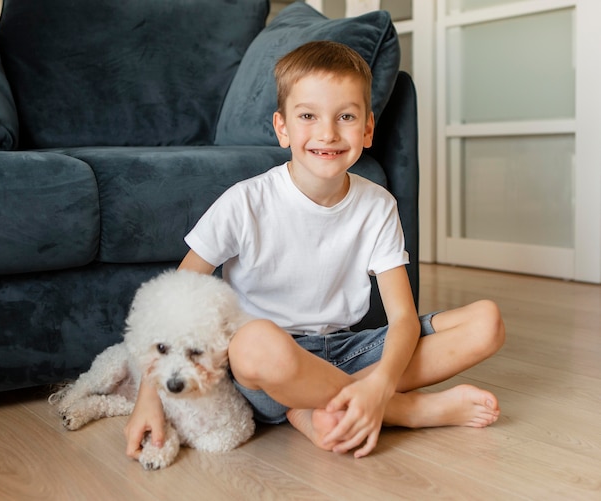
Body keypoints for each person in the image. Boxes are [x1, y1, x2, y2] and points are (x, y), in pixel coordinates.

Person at [125, 40, 505, 460]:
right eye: (308, 116)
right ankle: (407, 410)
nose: (327, 133)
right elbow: (172, 304)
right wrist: (150, 396)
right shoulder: (245, 201)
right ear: (282, 127)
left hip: (349, 351)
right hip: (269, 368)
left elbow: (402, 318)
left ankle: (320, 405)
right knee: (254, 344)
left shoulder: (378, 205)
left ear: (367, 129)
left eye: (345, 116)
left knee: (486, 322)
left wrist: (378, 382)